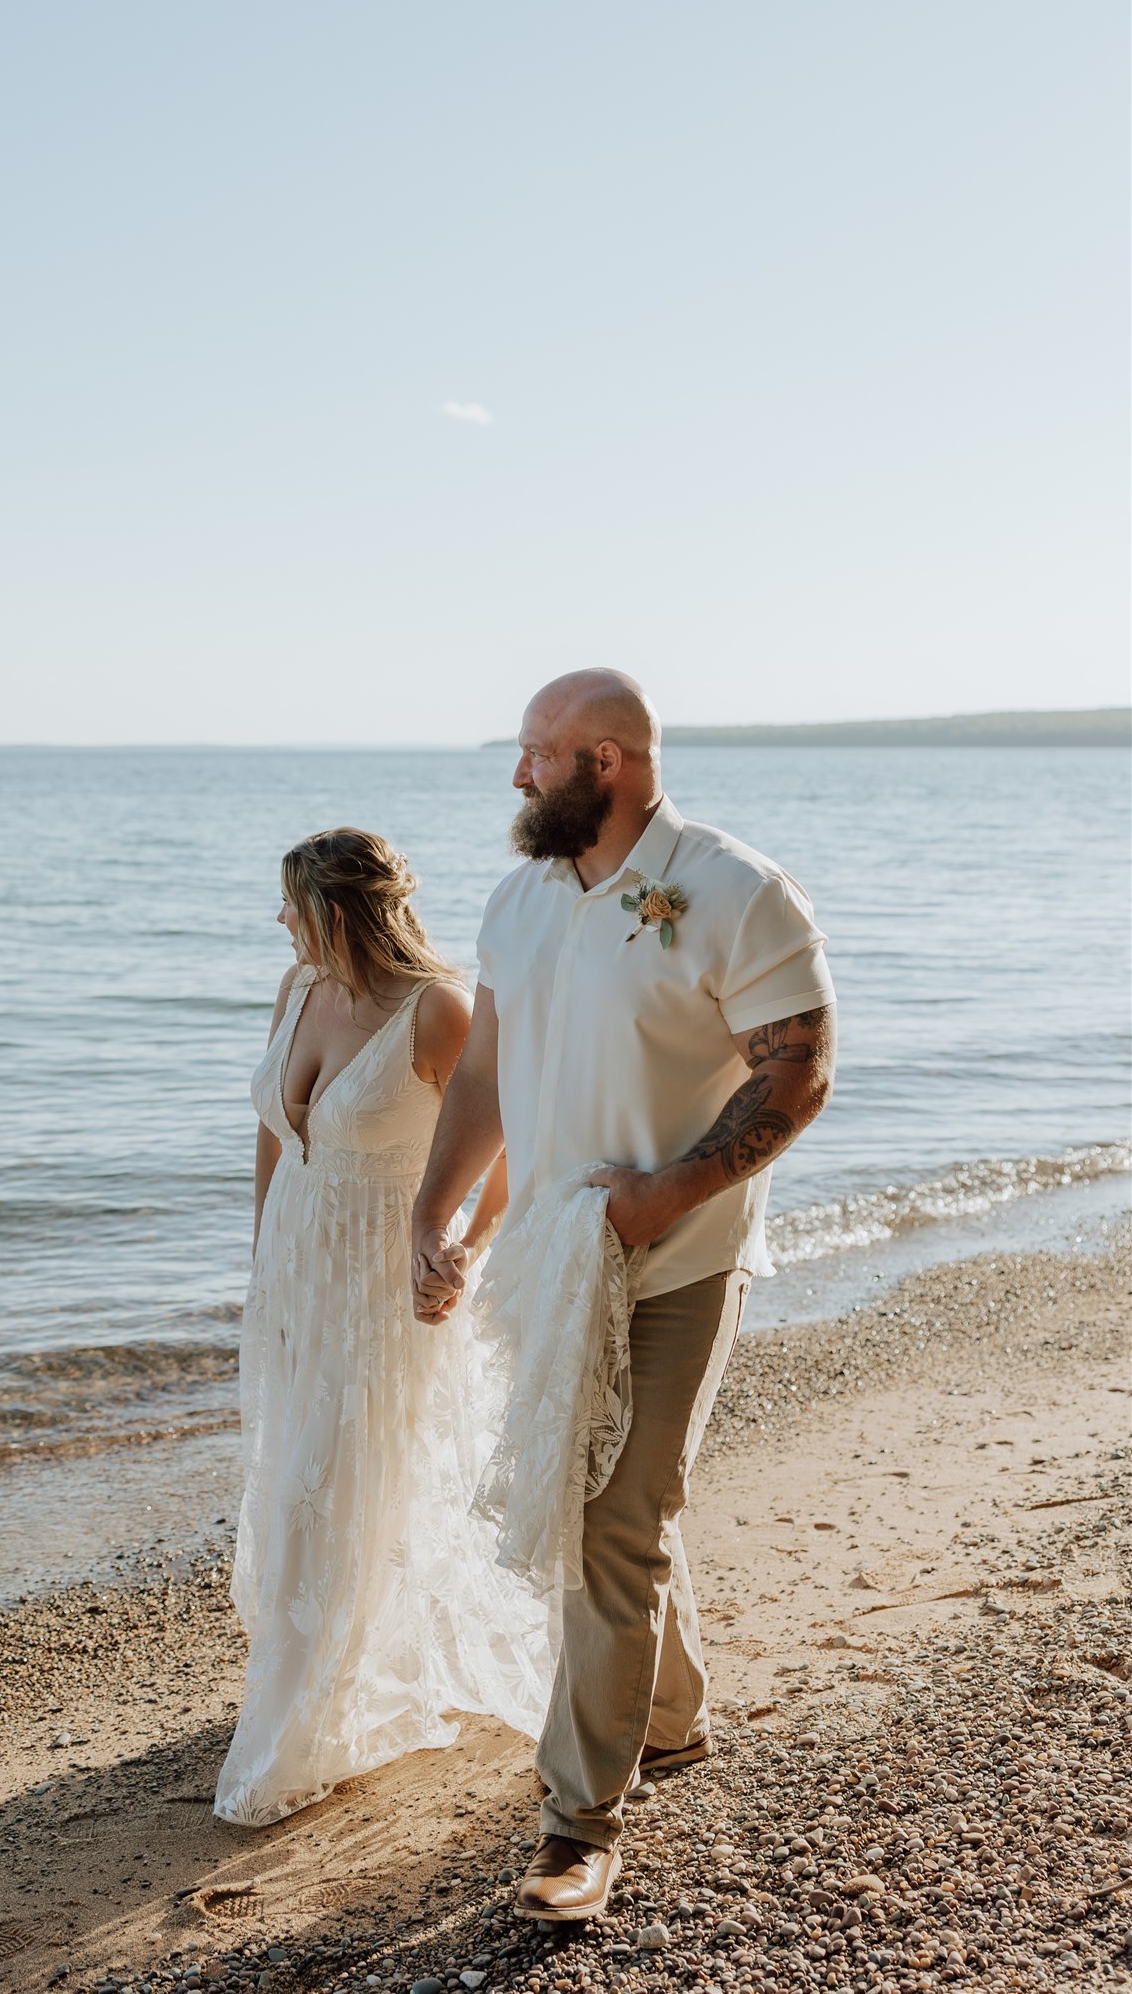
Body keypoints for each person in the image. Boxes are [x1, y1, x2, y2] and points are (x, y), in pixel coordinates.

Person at [412, 670, 836, 1920]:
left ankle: (576, 1825)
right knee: (618, 1493)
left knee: (608, 1517)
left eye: (536, 754)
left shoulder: (734, 887)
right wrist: (433, 1210)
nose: (516, 777)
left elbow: (800, 1066)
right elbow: (486, 1065)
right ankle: (674, 1714)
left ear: (606, 760)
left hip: (680, 1258)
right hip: (552, 1254)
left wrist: (675, 1189)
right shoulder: (519, 898)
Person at [214, 827, 550, 1827]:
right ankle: (314, 1664)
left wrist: (460, 1247)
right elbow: (276, 1135)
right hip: (298, 1270)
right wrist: (262, 1269)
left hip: (382, 1285)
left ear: (336, 910)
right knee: (293, 1475)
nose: (278, 921)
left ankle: (318, 1706)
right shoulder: (297, 988)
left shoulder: (435, 1010)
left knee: (344, 1480)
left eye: (291, 903)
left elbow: (512, 1149)